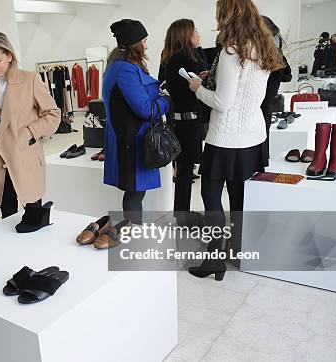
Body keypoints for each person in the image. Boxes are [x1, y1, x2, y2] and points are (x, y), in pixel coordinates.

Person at [187, 0, 283, 280]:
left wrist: (197, 88)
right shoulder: (263, 46)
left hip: (226, 137)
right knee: (239, 198)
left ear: (227, 14)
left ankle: (215, 259)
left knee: (211, 197)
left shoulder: (232, 51)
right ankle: (238, 249)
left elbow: (222, 101)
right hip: (252, 136)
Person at [0, 32, 61, 220]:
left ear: (9, 56)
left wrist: (29, 132)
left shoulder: (30, 79)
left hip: (24, 156)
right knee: (7, 217)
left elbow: (53, 114)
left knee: (35, 216)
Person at [103, 19, 170, 225]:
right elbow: (144, 109)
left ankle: (132, 232)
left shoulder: (121, 66)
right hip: (131, 141)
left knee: (135, 193)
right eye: (145, 40)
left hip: (131, 138)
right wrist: (165, 99)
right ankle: (132, 234)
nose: (147, 45)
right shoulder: (125, 69)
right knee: (134, 193)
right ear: (136, 43)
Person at [160, 19, 208, 225]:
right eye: (195, 31)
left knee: (185, 170)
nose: (198, 34)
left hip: (181, 122)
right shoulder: (187, 59)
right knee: (189, 169)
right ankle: (183, 216)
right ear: (186, 35)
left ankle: (182, 214)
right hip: (191, 122)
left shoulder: (169, 59)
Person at [260, 16, 292, 163]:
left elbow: (287, 76)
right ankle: (260, 164)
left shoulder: (272, 48)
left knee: (261, 133)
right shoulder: (271, 46)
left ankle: (260, 165)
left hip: (265, 97)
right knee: (261, 132)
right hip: (264, 97)